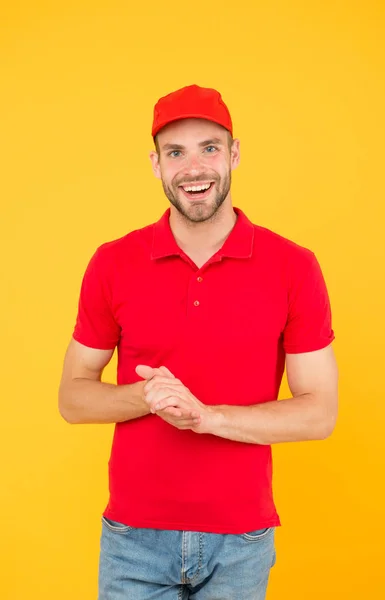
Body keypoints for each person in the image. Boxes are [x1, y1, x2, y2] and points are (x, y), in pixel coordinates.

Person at [58, 84, 338, 600]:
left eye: (209, 147)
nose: (194, 167)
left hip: (241, 541)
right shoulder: (112, 263)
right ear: (156, 165)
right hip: (132, 540)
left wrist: (208, 418)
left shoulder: (294, 266)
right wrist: (144, 396)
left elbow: (319, 413)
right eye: (175, 152)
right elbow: (73, 399)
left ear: (233, 154)